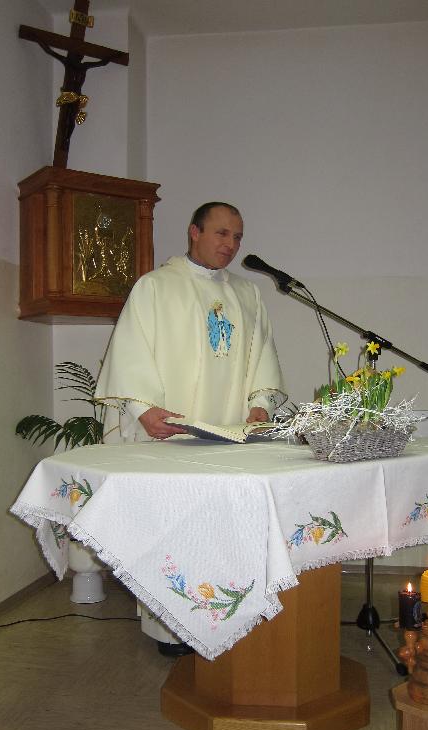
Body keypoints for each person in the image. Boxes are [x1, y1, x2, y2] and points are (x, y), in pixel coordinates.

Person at [95, 201, 287, 654]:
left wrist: (260, 405)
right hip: (171, 433)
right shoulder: (155, 287)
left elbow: (263, 355)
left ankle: (228, 619)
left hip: (230, 437)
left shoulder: (248, 294)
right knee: (172, 530)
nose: (231, 245)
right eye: (222, 233)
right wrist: (142, 409)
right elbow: (131, 350)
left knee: (223, 530)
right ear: (194, 232)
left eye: (237, 237)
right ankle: (171, 630)